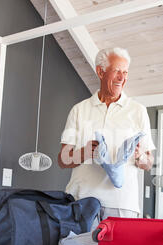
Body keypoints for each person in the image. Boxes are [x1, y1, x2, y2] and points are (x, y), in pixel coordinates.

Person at [58, 47, 155, 224]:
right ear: (100, 71)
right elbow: (63, 159)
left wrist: (140, 156)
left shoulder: (138, 111)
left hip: (122, 204)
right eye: (117, 71)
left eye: (125, 72)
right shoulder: (79, 110)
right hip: (81, 200)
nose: (122, 78)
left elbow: (149, 162)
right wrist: (84, 153)